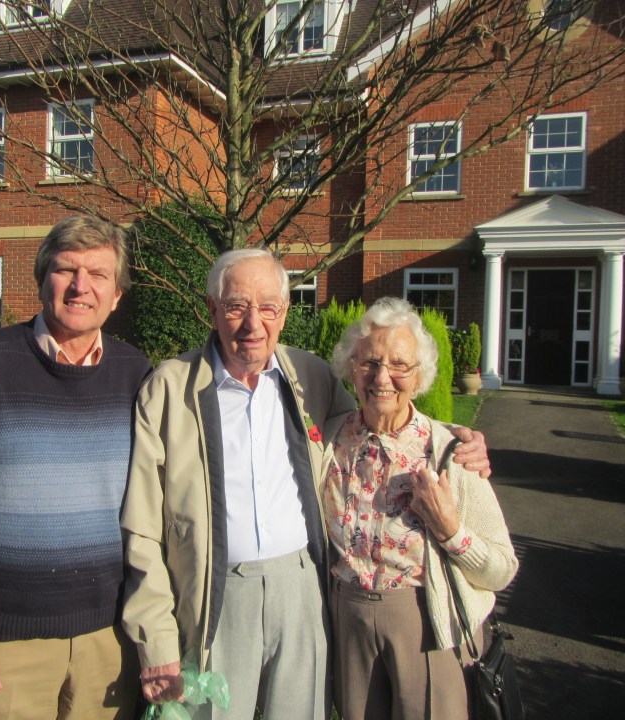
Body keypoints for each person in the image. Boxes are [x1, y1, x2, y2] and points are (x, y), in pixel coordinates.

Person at [121, 249, 492, 720]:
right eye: (236, 306)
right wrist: (156, 641)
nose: (252, 323)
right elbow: (142, 530)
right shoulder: (169, 388)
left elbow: (380, 420)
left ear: (284, 313)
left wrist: (454, 440)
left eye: (268, 307)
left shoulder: (309, 376)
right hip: (214, 596)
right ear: (212, 309)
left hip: (303, 590)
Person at [0, 215, 151, 720]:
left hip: (108, 641)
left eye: (98, 274)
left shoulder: (136, 373)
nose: (81, 286)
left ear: (116, 295)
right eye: (65, 270)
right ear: (42, 280)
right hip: (1, 645)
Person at [324, 297, 519, 720]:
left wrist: (451, 531)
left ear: (419, 377)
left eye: (399, 365)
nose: (382, 377)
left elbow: (502, 569)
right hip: (348, 622)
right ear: (351, 369)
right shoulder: (330, 440)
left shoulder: (451, 452)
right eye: (369, 362)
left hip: (428, 624)